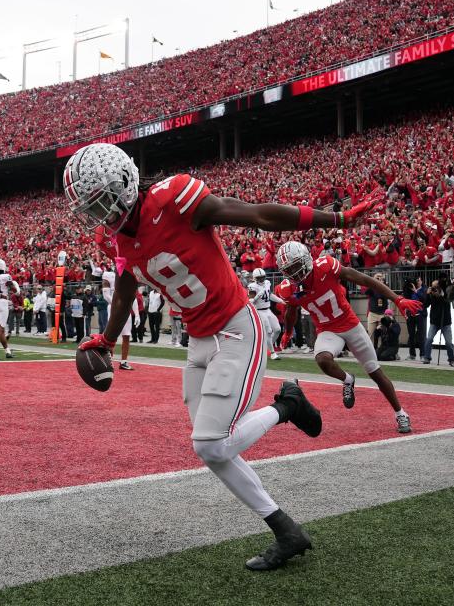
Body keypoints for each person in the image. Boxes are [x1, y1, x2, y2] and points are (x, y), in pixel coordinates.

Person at [66, 142, 379, 571]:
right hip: (198, 342)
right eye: (89, 207)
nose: (97, 215)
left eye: (99, 201)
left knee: (210, 444)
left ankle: (287, 404)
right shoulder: (115, 238)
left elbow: (257, 214)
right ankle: (286, 531)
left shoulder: (174, 196)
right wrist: (105, 338)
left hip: (236, 328)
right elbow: (124, 290)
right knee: (212, 449)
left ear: (122, 183)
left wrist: (337, 218)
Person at [275, 242, 420, 433]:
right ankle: (347, 379)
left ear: (307, 259)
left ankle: (401, 413)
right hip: (328, 330)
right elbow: (291, 312)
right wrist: (287, 332)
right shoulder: (288, 288)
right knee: (322, 359)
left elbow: (364, 280)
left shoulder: (325, 265)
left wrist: (397, 298)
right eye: (289, 269)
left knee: (375, 372)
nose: (294, 272)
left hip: (351, 325)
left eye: (296, 265)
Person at [100, 266, 137, 370]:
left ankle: (124, 361)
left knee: (127, 335)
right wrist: (118, 305)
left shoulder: (129, 273)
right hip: (114, 306)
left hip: (126, 307)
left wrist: (137, 314)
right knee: (111, 334)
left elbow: (132, 297)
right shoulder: (107, 274)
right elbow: (106, 295)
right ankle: (109, 360)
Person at [248, 268, 283, 360]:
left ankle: (264, 348)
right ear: (255, 278)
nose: (262, 279)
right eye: (259, 278)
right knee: (268, 331)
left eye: (263, 277)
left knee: (277, 329)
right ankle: (272, 353)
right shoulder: (252, 286)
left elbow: (269, 295)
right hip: (259, 311)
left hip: (268, 310)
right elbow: (251, 302)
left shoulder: (267, 283)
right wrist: (258, 295)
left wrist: (280, 300)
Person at [422, 277, 454, 366]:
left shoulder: (446, 292)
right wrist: (427, 294)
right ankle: (427, 357)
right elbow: (425, 305)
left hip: (445, 322)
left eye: (436, 286)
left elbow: (446, 303)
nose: (434, 288)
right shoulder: (431, 294)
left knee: (449, 343)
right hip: (434, 321)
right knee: (429, 339)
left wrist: (439, 296)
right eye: (432, 286)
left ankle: (451, 359)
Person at [402, 277, 427, 361]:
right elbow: (405, 300)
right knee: (411, 335)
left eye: (419, 280)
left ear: (421, 281)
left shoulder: (424, 289)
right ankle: (412, 354)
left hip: (420, 315)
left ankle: (423, 354)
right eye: (416, 281)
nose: (417, 282)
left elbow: (424, 300)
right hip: (410, 315)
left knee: (421, 335)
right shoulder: (408, 290)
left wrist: (416, 291)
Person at [364, 272, 391, 341]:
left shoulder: (385, 288)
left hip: (382, 314)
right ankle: (370, 350)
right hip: (372, 314)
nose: (379, 280)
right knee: (370, 334)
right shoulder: (373, 287)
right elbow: (366, 292)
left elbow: (387, 294)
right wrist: (373, 281)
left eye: (381, 279)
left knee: (383, 333)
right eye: (378, 278)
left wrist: (381, 284)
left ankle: (381, 350)